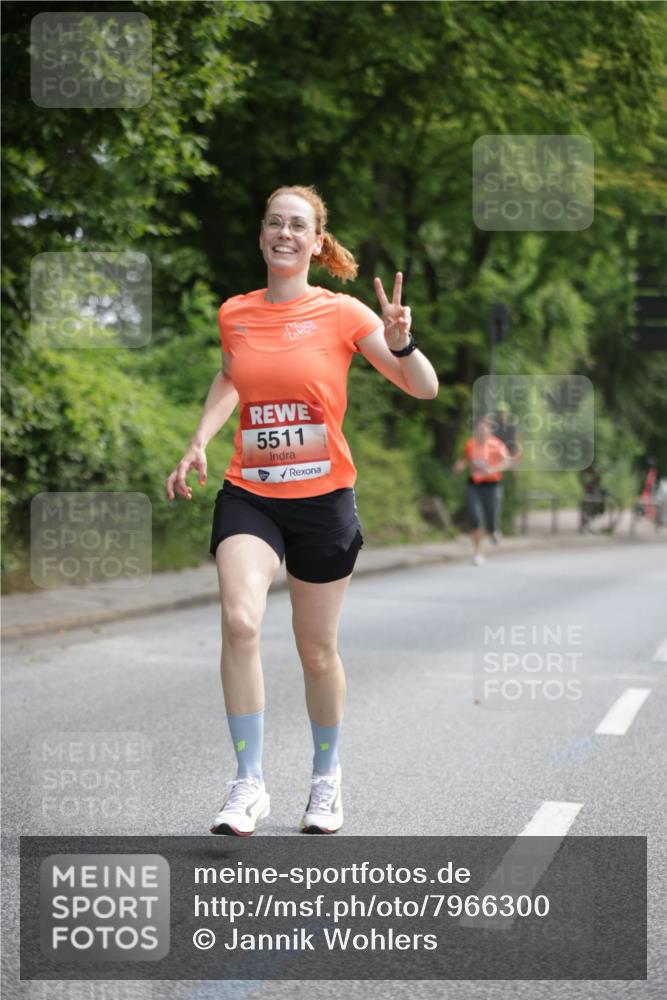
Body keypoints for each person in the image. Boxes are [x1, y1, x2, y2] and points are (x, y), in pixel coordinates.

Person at [166, 184, 438, 836]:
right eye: (273, 224)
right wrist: (199, 440)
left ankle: (324, 778)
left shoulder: (343, 313)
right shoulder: (235, 312)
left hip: (322, 501)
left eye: (297, 226)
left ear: (317, 242)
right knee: (239, 621)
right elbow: (232, 375)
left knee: (316, 652)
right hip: (250, 493)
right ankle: (248, 782)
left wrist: (401, 343)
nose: (283, 234)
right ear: (261, 236)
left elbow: (421, 388)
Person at [452, 414, 511, 564]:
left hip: (492, 485)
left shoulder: (497, 445)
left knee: (491, 517)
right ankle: (478, 553)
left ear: (490, 430)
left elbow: (507, 462)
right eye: (479, 427)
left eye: (485, 427)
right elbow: (465, 459)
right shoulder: (471, 444)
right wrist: (460, 467)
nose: (482, 430)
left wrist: (493, 469)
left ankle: (494, 530)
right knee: (475, 518)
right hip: (474, 484)